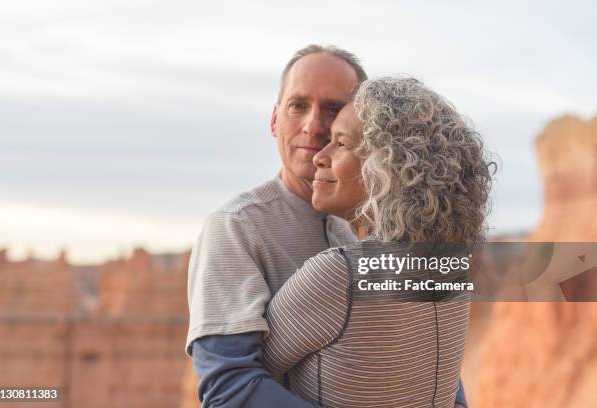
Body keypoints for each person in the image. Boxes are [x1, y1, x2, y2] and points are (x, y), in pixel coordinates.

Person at [186, 45, 469, 407]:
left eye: (333, 110)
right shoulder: (236, 228)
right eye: (298, 105)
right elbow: (229, 387)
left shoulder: (356, 231)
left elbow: (426, 355)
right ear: (274, 119)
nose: (314, 126)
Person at [262, 76, 496, 407]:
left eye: (340, 144)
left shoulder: (339, 275)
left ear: (387, 168)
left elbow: (246, 377)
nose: (320, 156)